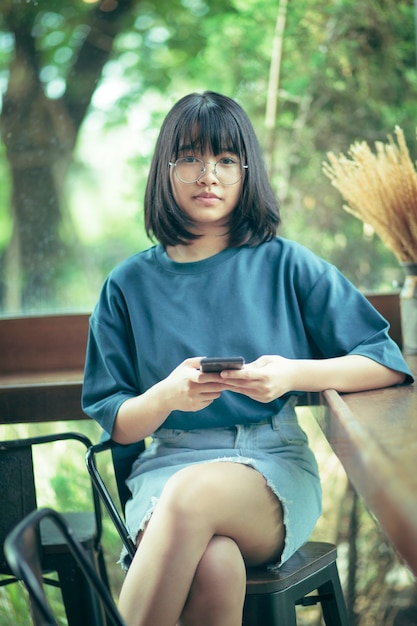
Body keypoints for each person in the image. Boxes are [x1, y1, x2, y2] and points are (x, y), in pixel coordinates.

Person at [82, 91, 413, 626]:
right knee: (216, 567)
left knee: (193, 497)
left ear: (246, 171)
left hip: (269, 462)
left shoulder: (286, 263)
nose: (208, 174)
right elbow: (117, 424)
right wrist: (167, 396)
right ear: (165, 171)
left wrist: (290, 375)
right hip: (167, 463)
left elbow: (385, 360)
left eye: (226, 160)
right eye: (189, 157)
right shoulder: (127, 285)